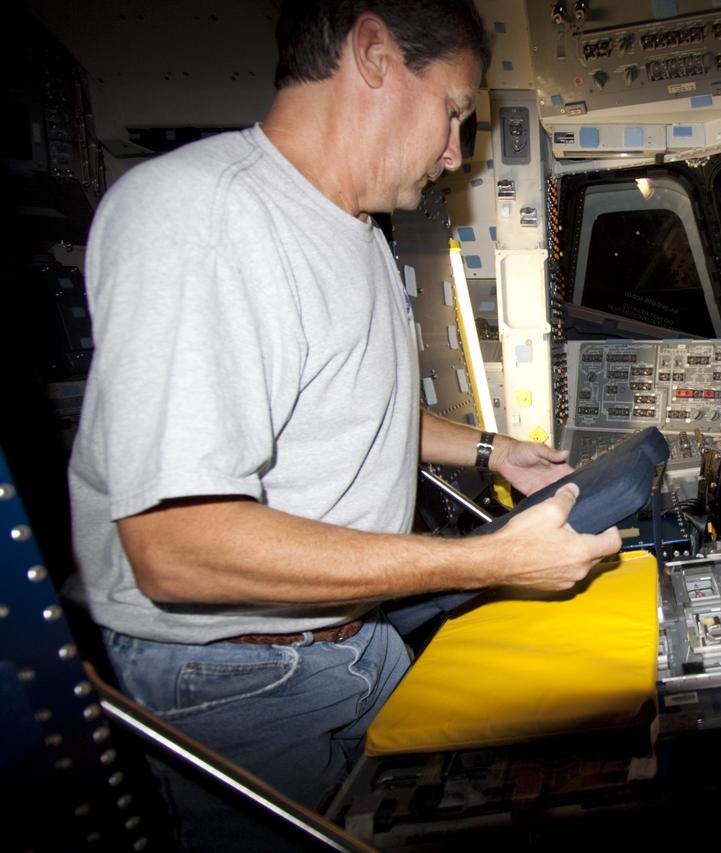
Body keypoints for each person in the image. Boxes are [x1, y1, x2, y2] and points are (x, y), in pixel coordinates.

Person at [67, 1, 622, 849]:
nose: (455, 151)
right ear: (373, 54)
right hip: (239, 680)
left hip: (355, 645)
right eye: (454, 113)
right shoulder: (201, 219)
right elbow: (175, 546)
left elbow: (350, 406)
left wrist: (489, 447)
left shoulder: (356, 230)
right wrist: (488, 561)